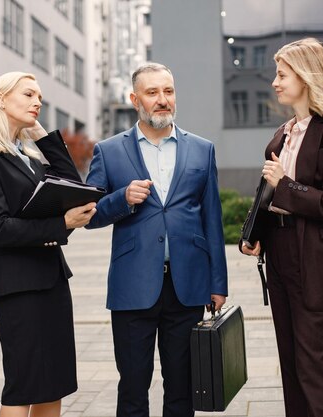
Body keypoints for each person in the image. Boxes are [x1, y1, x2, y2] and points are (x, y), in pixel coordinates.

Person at [240, 38, 323, 417]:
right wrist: (256, 236)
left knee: (312, 361)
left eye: (282, 75)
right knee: (290, 359)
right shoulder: (282, 134)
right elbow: (268, 193)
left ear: (306, 77)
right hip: (280, 250)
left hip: (314, 255)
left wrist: (286, 184)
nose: (275, 82)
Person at [85, 62, 228, 417]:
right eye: (152, 93)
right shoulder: (109, 151)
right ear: (135, 99)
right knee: (133, 386)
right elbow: (88, 214)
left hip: (188, 286)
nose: (162, 100)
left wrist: (218, 282)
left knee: (182, 387)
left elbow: (213, 220)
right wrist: (122, 199)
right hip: (132, 286)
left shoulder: (202, 149)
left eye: (168, 91)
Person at [0, 71, 96, 417]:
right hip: (18, 288)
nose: (37, 102)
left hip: (51, 281)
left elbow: (70, 187)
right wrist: (60, 224)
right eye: (29, 94)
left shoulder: (29, 157)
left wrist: (43, 138)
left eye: (40, 97)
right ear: (1, 99)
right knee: (23, 386)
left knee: (55, 384)